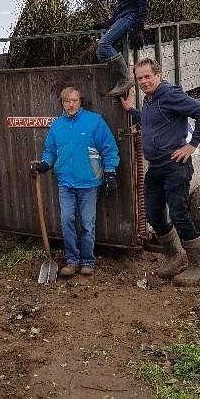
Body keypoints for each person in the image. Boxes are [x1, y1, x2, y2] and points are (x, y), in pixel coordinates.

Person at [121, 58, 200, 286]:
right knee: (153, 214)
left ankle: (199, 263)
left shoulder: (170, 95)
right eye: (139, 78)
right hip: (156, 168)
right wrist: (130, 110)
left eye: (147, 76)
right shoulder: (151, 101)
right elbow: (151, 121)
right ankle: (174, 255)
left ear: (158, 74)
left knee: (179, 213)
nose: (143, 81)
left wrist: (192, 145)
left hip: (175, 167)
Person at [31, 87, 120, 276]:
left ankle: (88, 261)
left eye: (74, 101)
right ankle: (71, 260)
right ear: (62, 103)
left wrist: (110, 172)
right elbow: (50, 151)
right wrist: (45, 164)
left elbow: (109, 149)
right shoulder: (57, 126)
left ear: (80, 102)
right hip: (66, 182)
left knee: (88, 223)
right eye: (67, 101)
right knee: (67, 221)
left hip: (89, 182)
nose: (71, 105)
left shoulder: (94, 121)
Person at [95, 0, 149, 97]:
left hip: (131, 16)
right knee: (101, 48)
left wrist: (138, 28)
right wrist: (108, 23)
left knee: (105, 44)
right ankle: (118, 80)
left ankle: (125, 79)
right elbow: (122, 8)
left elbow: (143, 3)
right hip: (124, 16)